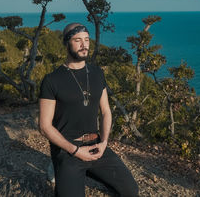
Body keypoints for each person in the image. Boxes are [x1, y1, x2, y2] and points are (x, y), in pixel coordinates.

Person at [39, 23, 139, 197]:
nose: (84, 44)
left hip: (96, 145)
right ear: (67, 43)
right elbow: (44, 126)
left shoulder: (97, 73)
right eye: (78, 40)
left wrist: (104, 142)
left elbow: (106, 111)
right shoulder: (52, 80)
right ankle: (58, 170)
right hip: (68, 151)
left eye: (86, 39)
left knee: (131, 190)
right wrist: (76, 151)